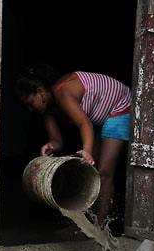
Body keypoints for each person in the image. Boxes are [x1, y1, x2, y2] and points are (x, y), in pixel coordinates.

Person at [16, 65, 132, 226]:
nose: (30, 109)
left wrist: (87, 151)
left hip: (119, 106)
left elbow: (84, 123)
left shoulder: (63, 94)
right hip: (97, 117)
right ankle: (88, 223)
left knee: (104, 173)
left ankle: (100, 227)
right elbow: (58, 141)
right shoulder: (46, 111)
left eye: (30, 103)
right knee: (93, 172)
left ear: (41, 92)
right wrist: (51, 145)